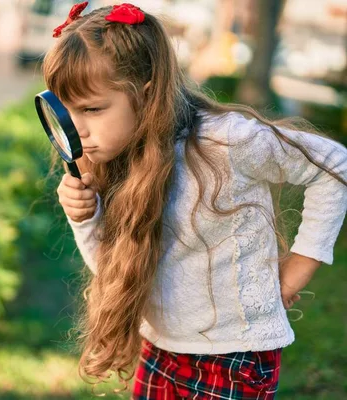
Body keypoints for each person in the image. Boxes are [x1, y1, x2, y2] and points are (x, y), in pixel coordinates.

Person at [43, 2, 347, 399]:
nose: (77, 128)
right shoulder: (115, 161)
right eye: (66, 112)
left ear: (146, 94)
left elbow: (333, 165)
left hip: (234, 356)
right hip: (161, 347)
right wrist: (86, 217)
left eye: (93, 109)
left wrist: (301, 264)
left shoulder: (226, 142)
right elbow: (112, 268)